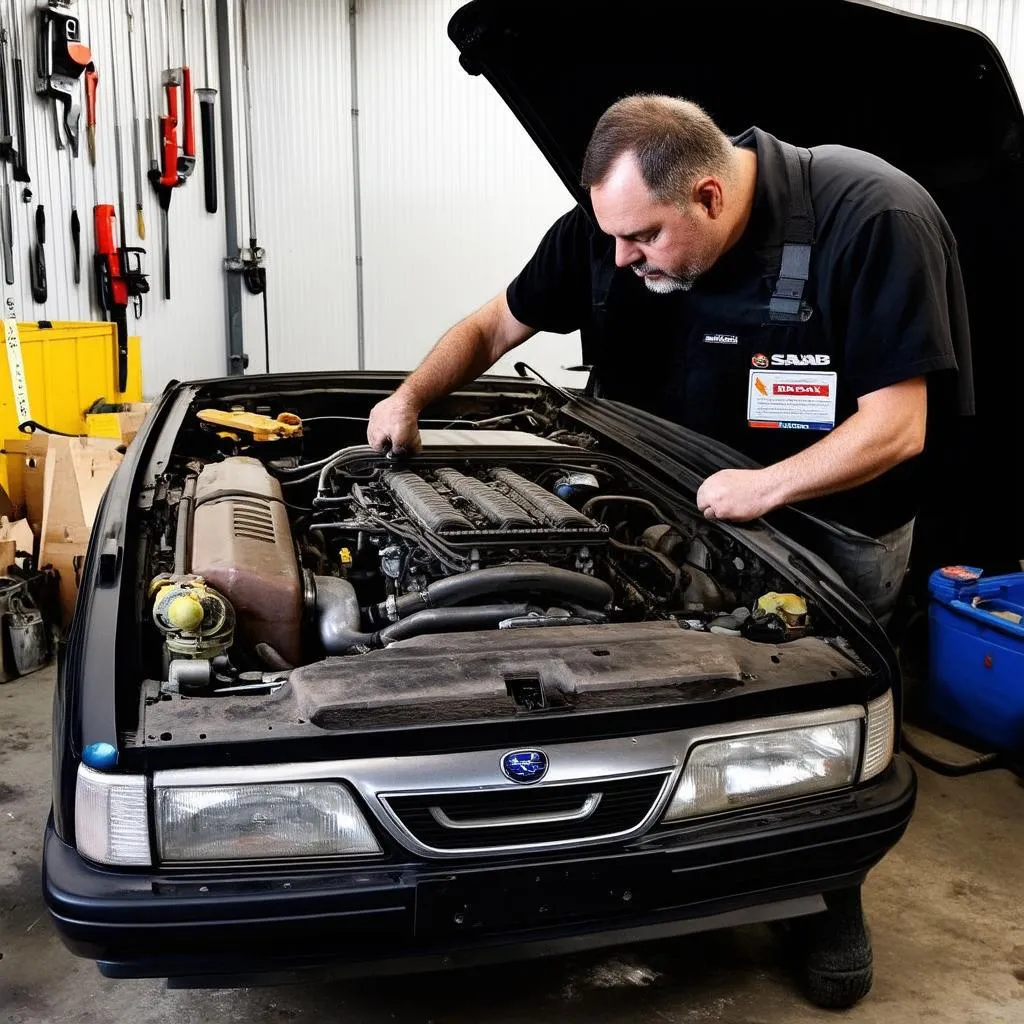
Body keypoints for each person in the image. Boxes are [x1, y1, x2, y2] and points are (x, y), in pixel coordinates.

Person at [367, 95, 973, 627]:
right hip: (656, 505)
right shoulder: (611, 230)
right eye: (613, 234)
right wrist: (409, 397)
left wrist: (766, 487)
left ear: (709, 197)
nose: (622, 255)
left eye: (644, 236)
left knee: (828, 698)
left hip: (829, 532)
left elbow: (896, 426)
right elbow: (492, 325)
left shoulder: (870, 218)